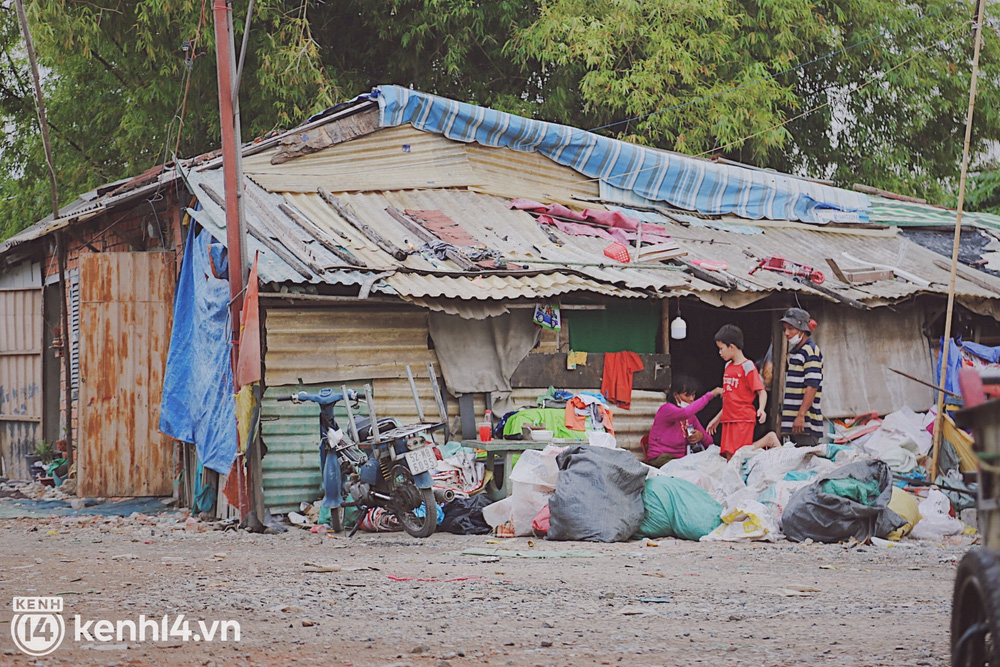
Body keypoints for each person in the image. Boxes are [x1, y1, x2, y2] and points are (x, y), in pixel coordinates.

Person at [707, 324, 781, 459]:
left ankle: (768, 439)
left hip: (743, 418)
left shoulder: (748, 366)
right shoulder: (728, 366)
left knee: (740, 455)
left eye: (721, 348)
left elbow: (761, 391)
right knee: (729, 457)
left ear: (731, 347)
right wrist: (717, 419)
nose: (719, 352)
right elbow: (729, 398)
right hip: (728, 418)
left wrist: (761, 409)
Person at [645, 375, 723, 468]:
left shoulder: (691, 417)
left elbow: (710, 442)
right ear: (675, 395)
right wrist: (711, 395)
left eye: (693, 394)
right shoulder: (666, 409)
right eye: (687, 395)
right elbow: (685, 412)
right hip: (661, 458)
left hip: (682, 460)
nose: (691, 399)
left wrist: (701, 436)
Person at [779, 308, 824, 447]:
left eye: (791, 328)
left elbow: (813, 385)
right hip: (796, 426)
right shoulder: (795, 353)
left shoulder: (810, 351)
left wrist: (801, 415)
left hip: (806, 425)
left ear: (802, 329)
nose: (786, 333)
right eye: (785, 328)